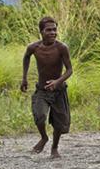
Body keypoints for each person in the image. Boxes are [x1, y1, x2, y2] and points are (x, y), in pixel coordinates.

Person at [21, 16, 73, 158]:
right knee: (39, 116)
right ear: (41, 32)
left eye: (54, 30)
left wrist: (58, 81)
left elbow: (69, 70)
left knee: (59, 123)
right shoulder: (34, 47)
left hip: (59, 91)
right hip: (42, 90)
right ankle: (44, 137)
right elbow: (26, 57)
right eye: (48, 30)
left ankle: (54, 148)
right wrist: (24, 78)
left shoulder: (62, 48)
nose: (52, 33)